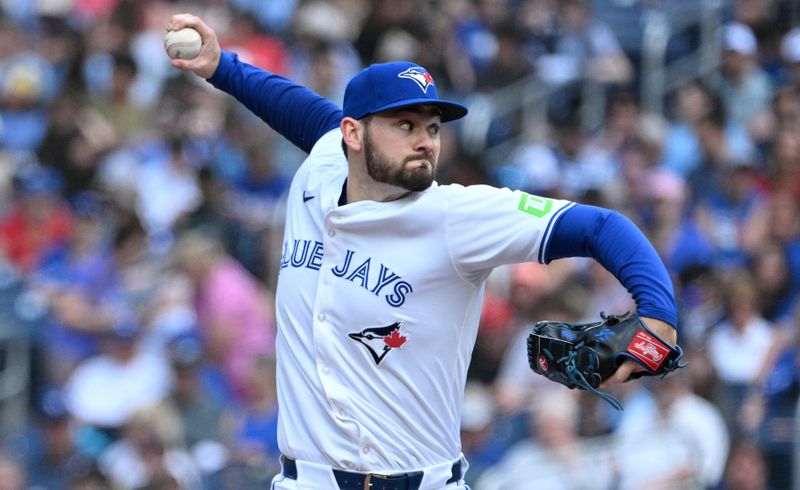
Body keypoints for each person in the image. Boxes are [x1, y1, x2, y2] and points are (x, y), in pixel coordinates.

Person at [167, 13, 678, 490]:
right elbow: (294, 107)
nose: (425, 141)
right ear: (352, 134)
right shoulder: (324, 165)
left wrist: (659, 317)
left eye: (432, 127)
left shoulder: (458, 218)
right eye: (404, 125)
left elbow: (602, 227)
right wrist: (221, 67)